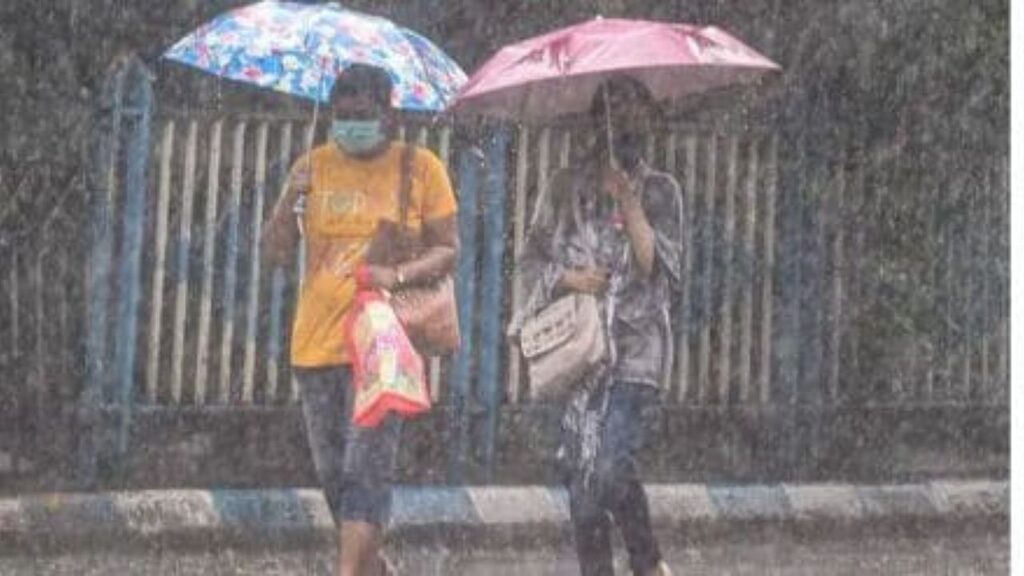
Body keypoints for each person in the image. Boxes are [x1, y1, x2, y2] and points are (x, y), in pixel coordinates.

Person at [261, 64, 458, 576]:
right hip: (314, 345)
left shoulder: (420, 169)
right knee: (334, 477)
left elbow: (448, 250)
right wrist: (288, 199)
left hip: (381, 346)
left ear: (388, 115)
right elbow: (275, 254)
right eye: (342, 115)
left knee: (363, 469)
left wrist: (394, 274)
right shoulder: (313, 166)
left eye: (362, 115)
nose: (351, 125)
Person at [510, 77, 684, 576]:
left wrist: (630, 202)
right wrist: (570, 277)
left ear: (650, 119)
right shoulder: (564, 188)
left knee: (608, 468)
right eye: (612, 109)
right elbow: (530, 260)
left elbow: (657, 268)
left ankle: (647, 561)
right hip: (578, 354)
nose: (624, 120)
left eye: (634, 109)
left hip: (635, 352)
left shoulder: (661, 191)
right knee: (583, 486)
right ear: (596, 121)